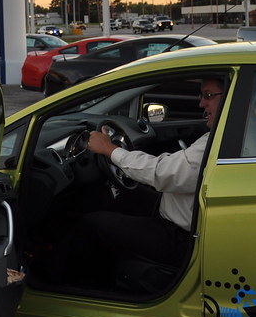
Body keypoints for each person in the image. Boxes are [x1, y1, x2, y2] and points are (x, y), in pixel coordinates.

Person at [63, 76, 225, 288]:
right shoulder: (229, 134)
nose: (201, 104)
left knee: (92, 224)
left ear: (229, 97)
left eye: (208, 95)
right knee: (123, 195)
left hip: (182, 238)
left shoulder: (220, 140)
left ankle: (70, 285)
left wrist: (110, 150)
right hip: (180, 213)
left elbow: (163, 173)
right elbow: (178, 168)